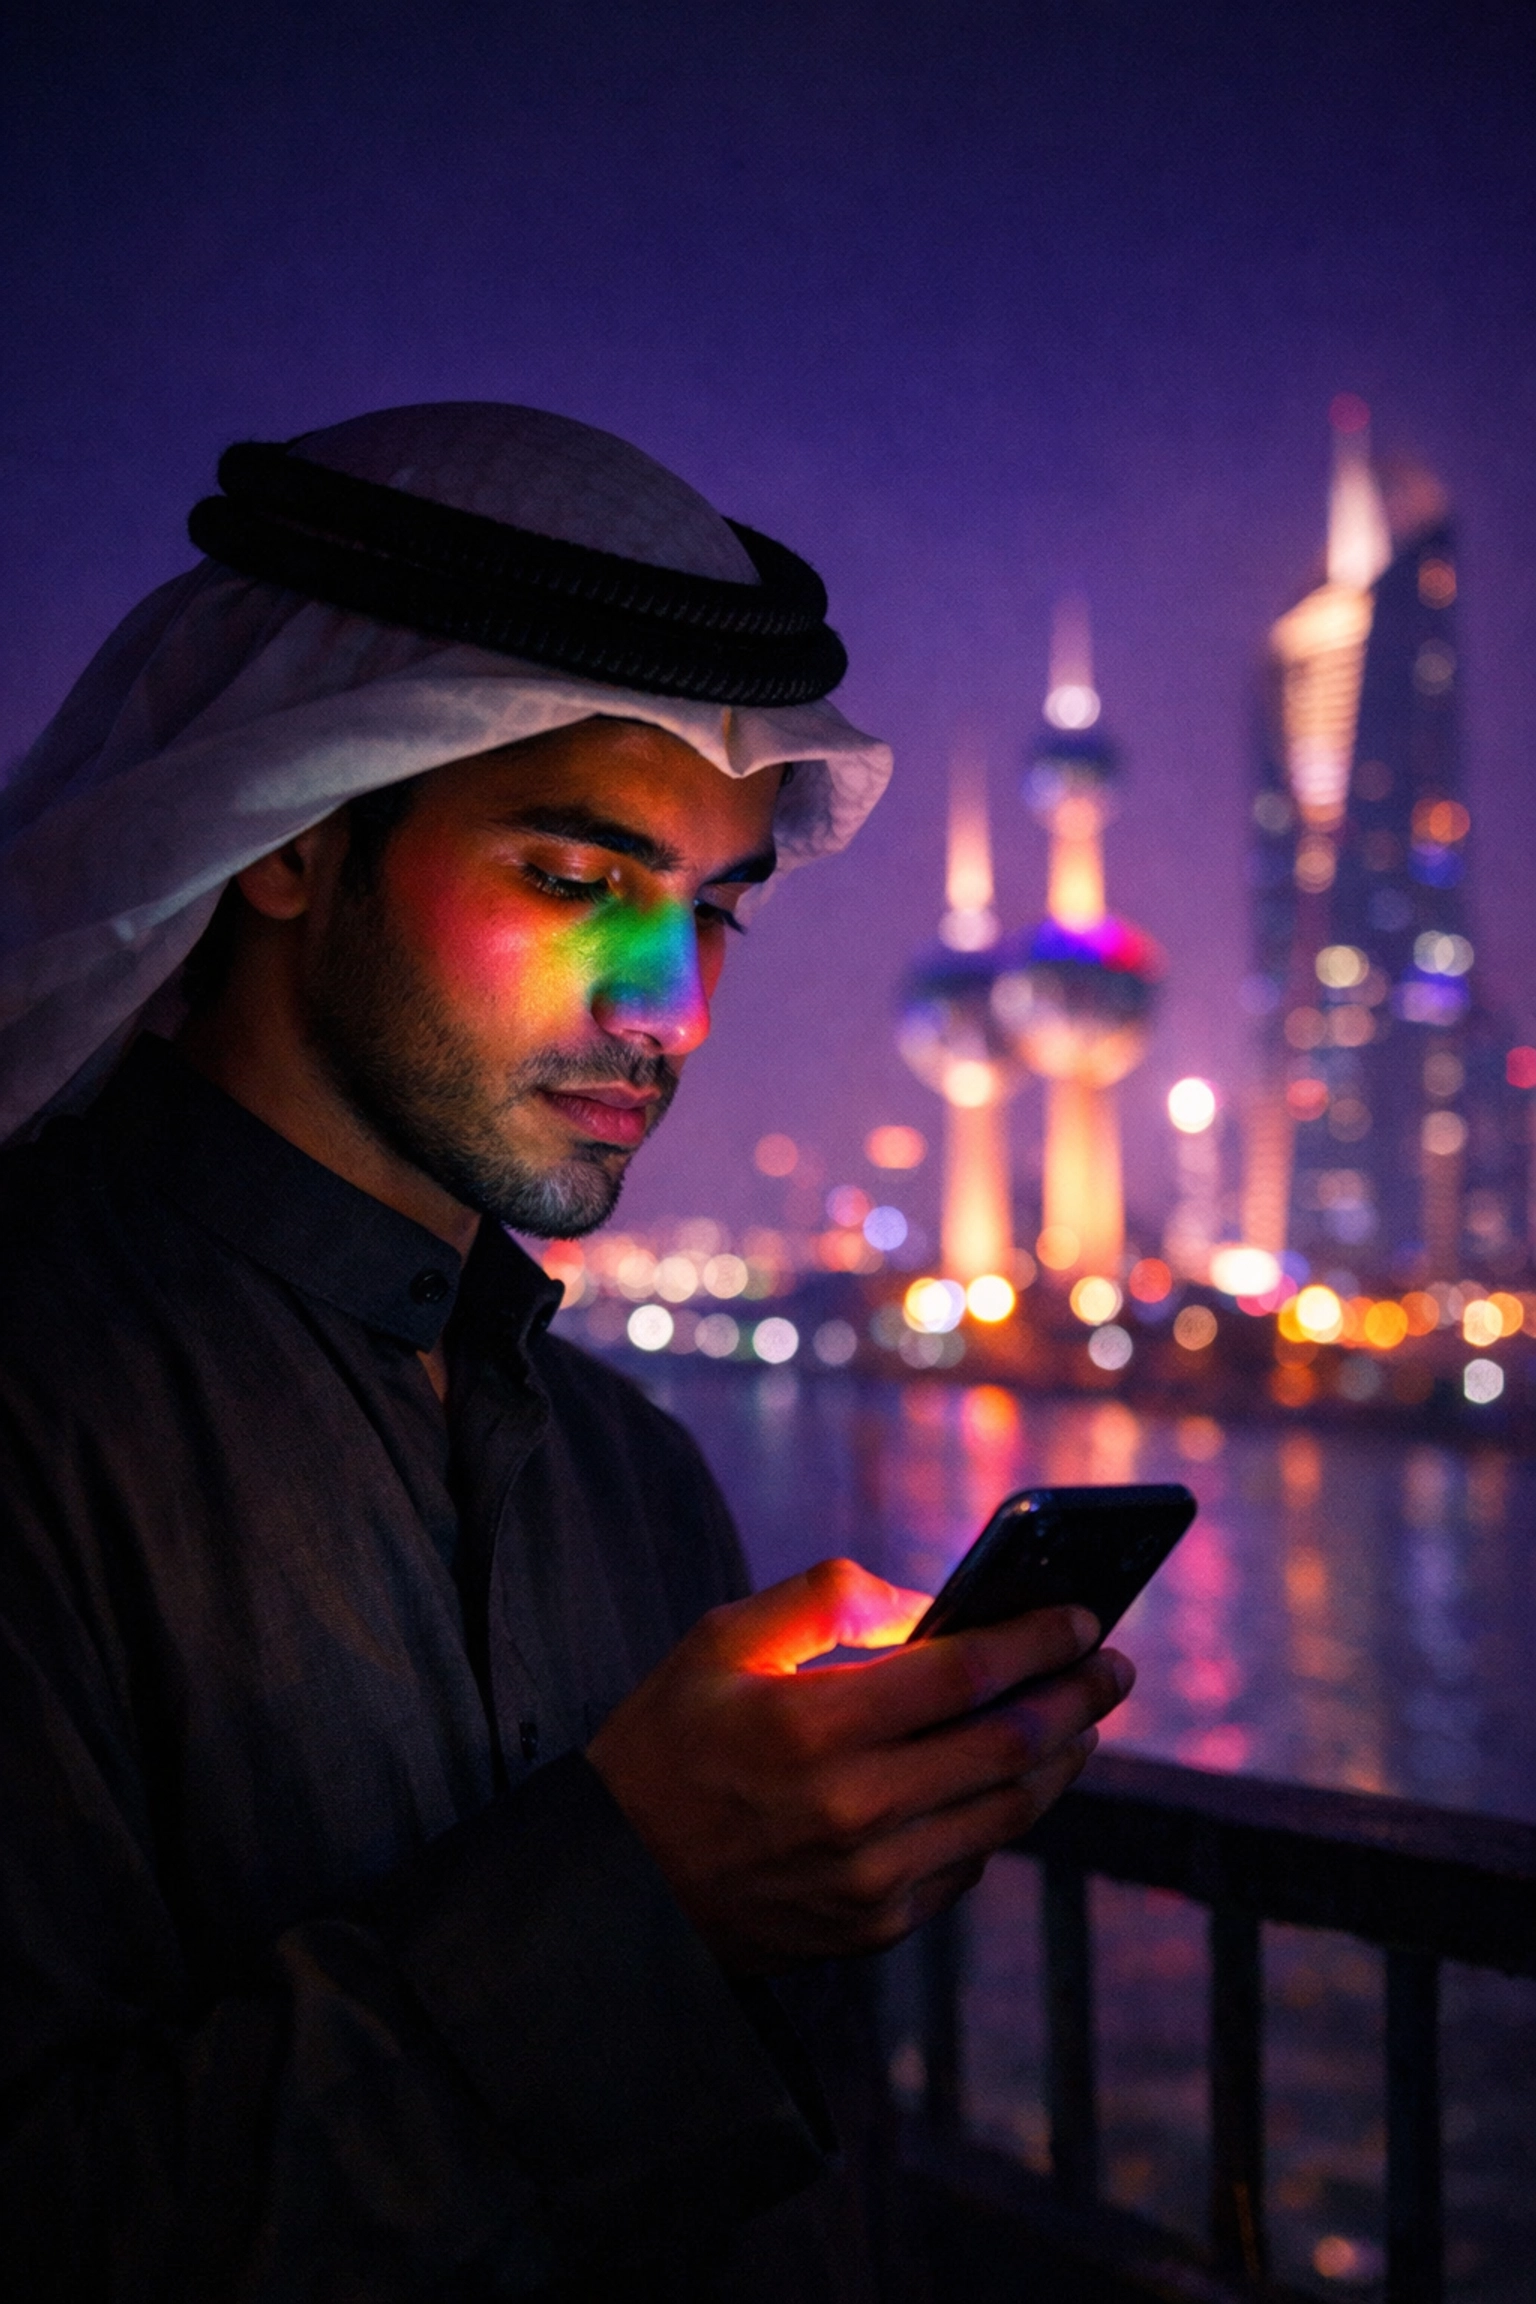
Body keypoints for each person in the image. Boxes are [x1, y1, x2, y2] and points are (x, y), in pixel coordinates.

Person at [0, 403, 1134, 2300]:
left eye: (709, 911)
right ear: (289, 837)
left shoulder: (635, 1477)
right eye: (574, 877)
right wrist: (640, 1899)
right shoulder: (39, 1404)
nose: (671, 1009)